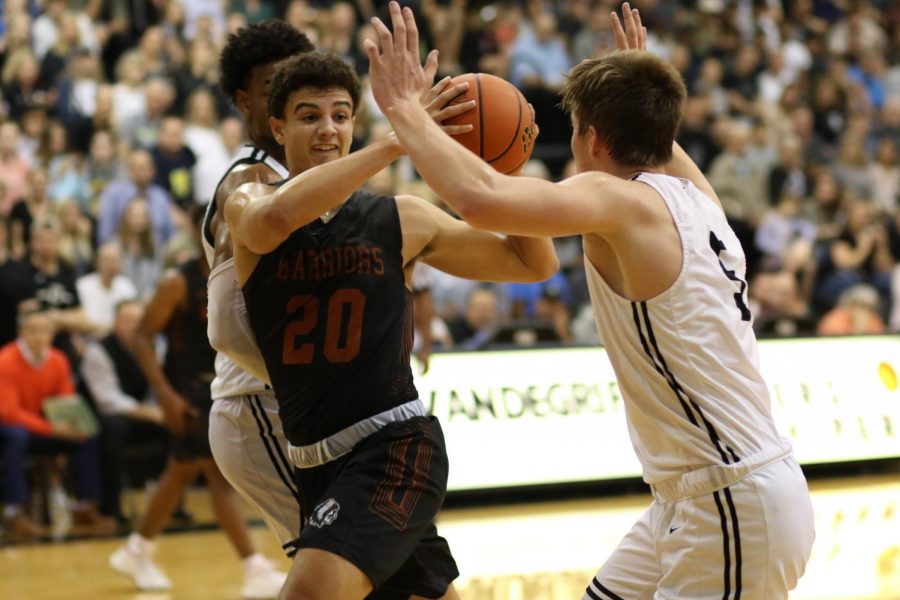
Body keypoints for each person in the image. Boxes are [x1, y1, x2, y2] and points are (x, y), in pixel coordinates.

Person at [365, 3, 815, 599]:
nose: (572, 141)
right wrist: (639, 72)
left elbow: (480, 198)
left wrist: (401, 108)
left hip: (728, 501)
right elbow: (657, 136)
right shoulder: (695, 196)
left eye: (575, 127)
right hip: (702, 495)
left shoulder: (620, 201)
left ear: (593, 138)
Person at [225, 51, 557, 598]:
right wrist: (401, 139)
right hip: (314, 461)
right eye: (309, 116)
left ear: (354, 124)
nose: (327, 128)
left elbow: (531, 263)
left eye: (340, 115)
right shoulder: (249, 200)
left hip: (394, 447)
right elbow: (276, 222)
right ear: (278, 128)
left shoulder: (403, 217)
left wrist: (507, 168)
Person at [109, 208, 286, 597]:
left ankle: (137, 548)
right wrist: (166, 396)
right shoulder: (178, 281)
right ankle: (252, 567)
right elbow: (141, 337)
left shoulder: (244, 267)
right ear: (201, 230)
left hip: (222, 384)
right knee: (217, 477)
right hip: (188, 391)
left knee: (181, 471)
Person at [202, 19, 315, 562]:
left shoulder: (306, 173)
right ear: (243, 100)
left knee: (389, 564)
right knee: (336, 567)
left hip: (296, 405)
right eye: (273, 84)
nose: (288, 94)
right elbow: (225, 322)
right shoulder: (250, 181)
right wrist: (305, 384)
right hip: (261, 405)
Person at [0, 307, 111, 538]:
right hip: (11, 427)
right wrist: (53, 428)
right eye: (33, 331)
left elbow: (66, 401)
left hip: (42, 426)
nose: (40, 337)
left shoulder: (58, 359)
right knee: (16, 437)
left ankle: (84, 505)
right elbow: (8, 412)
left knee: (85, 436)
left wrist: (71, 426)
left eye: (45, 331)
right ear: (22, 333)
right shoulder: (6, 360)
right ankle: (14, 511)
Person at [80, 299, 168, 522]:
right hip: (103, 416)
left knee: (175, 427)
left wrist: (160, 411)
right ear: (115, 323)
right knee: (113, 431)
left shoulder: (154, 345)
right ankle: (111, 507)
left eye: (139, 321)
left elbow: (158, 385)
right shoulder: (98, 350)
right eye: (127, 321)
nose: (133, 326)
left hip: (139, 412)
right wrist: (149, 412)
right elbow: (107, 399)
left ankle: (169, 503)